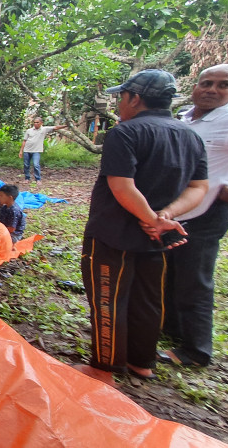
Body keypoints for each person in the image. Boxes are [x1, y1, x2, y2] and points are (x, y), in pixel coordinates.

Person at [75, 69, 208, 386]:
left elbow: (122, 188)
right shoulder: (190, 136)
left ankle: (103, 368)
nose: (120, 103)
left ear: (134, 98)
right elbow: (199, 187)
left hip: (113, 233)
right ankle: (141, 362)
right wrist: (165, 218)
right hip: (155, 237)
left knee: (108, 299)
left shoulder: (126, 133)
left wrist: (153, 220)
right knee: (148, 299)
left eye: (122, 96)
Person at [160, 64, 228, 368]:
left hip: (207, 211)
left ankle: (195, 350)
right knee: (171, 274)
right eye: (206, 83)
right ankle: (172, 330)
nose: (211, 90)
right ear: (195, 86)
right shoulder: (187, 117)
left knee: (194, 280)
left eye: (223, 85)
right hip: (176, 211)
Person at [18, 116, 66, 183]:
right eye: (34, 122)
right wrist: (21, 151)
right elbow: (24, 141)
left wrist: (66, 125)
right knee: (26, 165)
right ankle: (27, 178)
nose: (36, 124)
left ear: (41, 123)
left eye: (37, 122)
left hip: (36, 151)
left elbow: (55, 127)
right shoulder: (29, 131)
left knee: (36, 165)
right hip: (27, 150)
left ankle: (38, 179)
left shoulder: (44, 129)